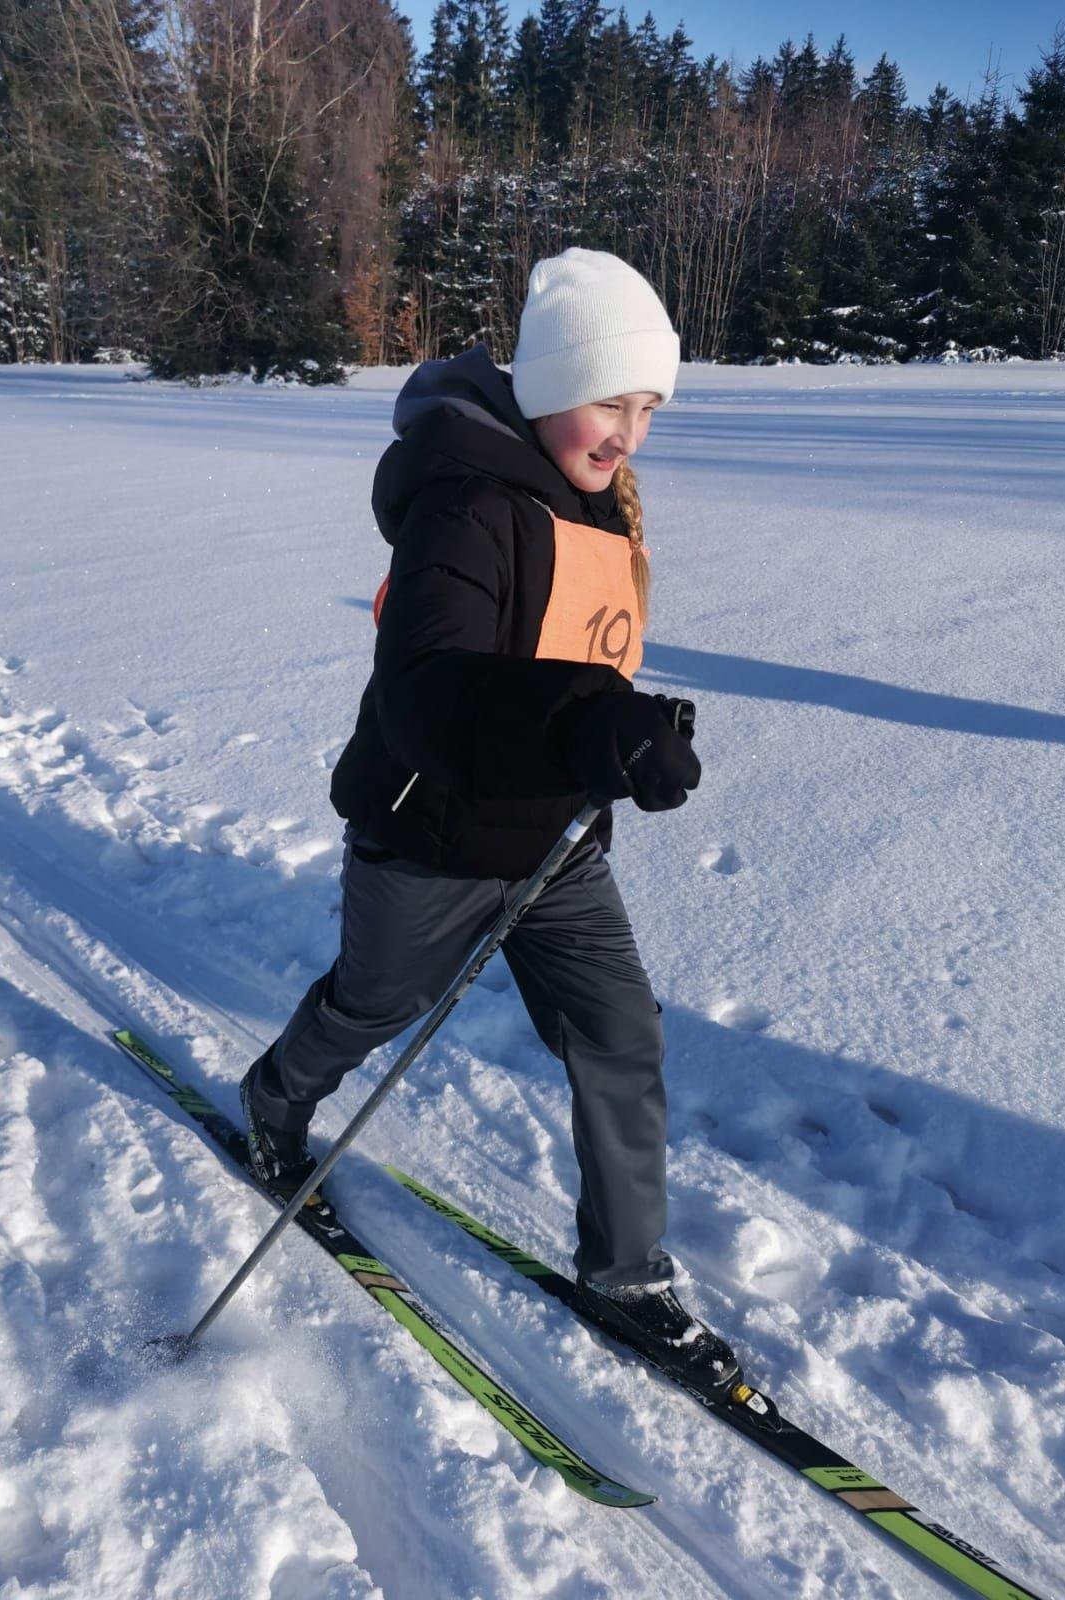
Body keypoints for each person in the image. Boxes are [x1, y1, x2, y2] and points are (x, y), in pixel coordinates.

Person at [241, 247, 738, 1394]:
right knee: (374, 1004)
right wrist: (587, 723)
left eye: (650, 409)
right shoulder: (463, 504)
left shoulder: (595, 501)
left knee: (620, 1033)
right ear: (554, 380)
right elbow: (427, 693)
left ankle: (626, 1273)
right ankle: (275, 1099)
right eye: (613, 401)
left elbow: (576, 656)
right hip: (434, 833)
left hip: (557, 844)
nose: (630, 434)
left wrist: (624, 730)